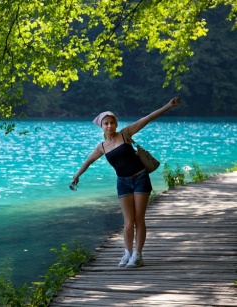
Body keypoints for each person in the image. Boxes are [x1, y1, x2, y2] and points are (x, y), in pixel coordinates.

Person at [72, 97, 180, 268]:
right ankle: (128, 253)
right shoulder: (102, 147)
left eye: (112, 123)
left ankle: (138, 255)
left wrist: (168, 105)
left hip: (140, 177)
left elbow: (148, 118)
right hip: (122, 182)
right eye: (106, 123)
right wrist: (77, 175)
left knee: (139, 219)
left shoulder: (125, 134)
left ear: (116, 123)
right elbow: (88, 161)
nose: (109, 126)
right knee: (128, 221)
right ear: (101, 126)